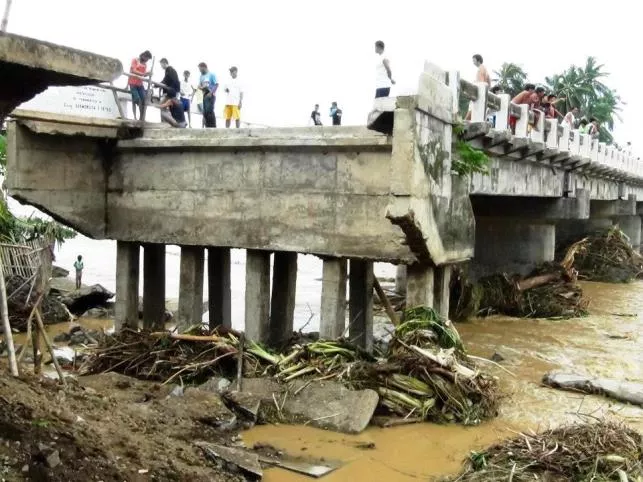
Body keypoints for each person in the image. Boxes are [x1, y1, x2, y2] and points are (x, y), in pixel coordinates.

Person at [128, 50, 152, 120]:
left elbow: (143, 75)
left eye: (148, 59)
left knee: (144, 99)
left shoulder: (145, 64)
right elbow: (133, 70)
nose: (147, 60)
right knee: (136, 99)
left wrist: (148, 74)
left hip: (140, 84)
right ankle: (135, 117)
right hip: (132, 83)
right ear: (143, 56)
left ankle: (141, 118)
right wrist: (144, 74)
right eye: (147, 58)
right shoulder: (135, 60)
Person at [198, 62, 218, 128]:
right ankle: (207, 126)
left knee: (210, 111)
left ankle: (213, 127)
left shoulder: (211, 74)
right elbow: (200, 86)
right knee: (205, 112)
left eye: (200, 69)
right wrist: (200, 87)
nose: (200, 71)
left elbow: (216, 84)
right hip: (204, 94)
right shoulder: (201, 76)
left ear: (204, 67)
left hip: (210, 94)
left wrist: (211, 93)